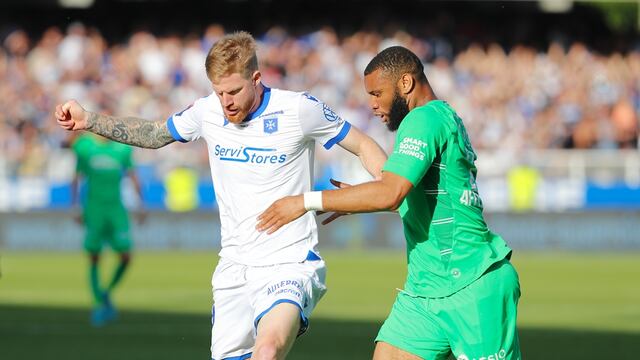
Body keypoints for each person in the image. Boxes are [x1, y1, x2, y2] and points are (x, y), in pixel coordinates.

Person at [55, 31, 387, 360]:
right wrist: (89, 120)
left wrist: (386, 182)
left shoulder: (299, 109)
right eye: (218, 92)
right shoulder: (206, 112)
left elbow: (362, 143)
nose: (226, 101)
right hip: (234, 268)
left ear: (256, 78)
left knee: (268, 350)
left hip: (289, 262)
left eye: (233, 91)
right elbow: (154, 134)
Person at [257, 46, 521, 360]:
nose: (372, 104)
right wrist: (356, 198)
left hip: (471, 281)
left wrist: (305, 201)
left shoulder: (422, 120)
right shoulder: (440, 117)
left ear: (406, 84)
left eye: (377, 93)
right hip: (426, 287)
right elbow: (406, 196)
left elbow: (390, 193)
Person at [70, 132, 144, 327]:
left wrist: (140, 205)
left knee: (126, 256)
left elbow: (133, 175)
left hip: (116, 210)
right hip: (94, 209)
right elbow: (76, 177)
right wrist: (75, 206)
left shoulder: (122, 149)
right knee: (94, 256)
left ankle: (105, 293)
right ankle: (98, 304)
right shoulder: (86, 148)